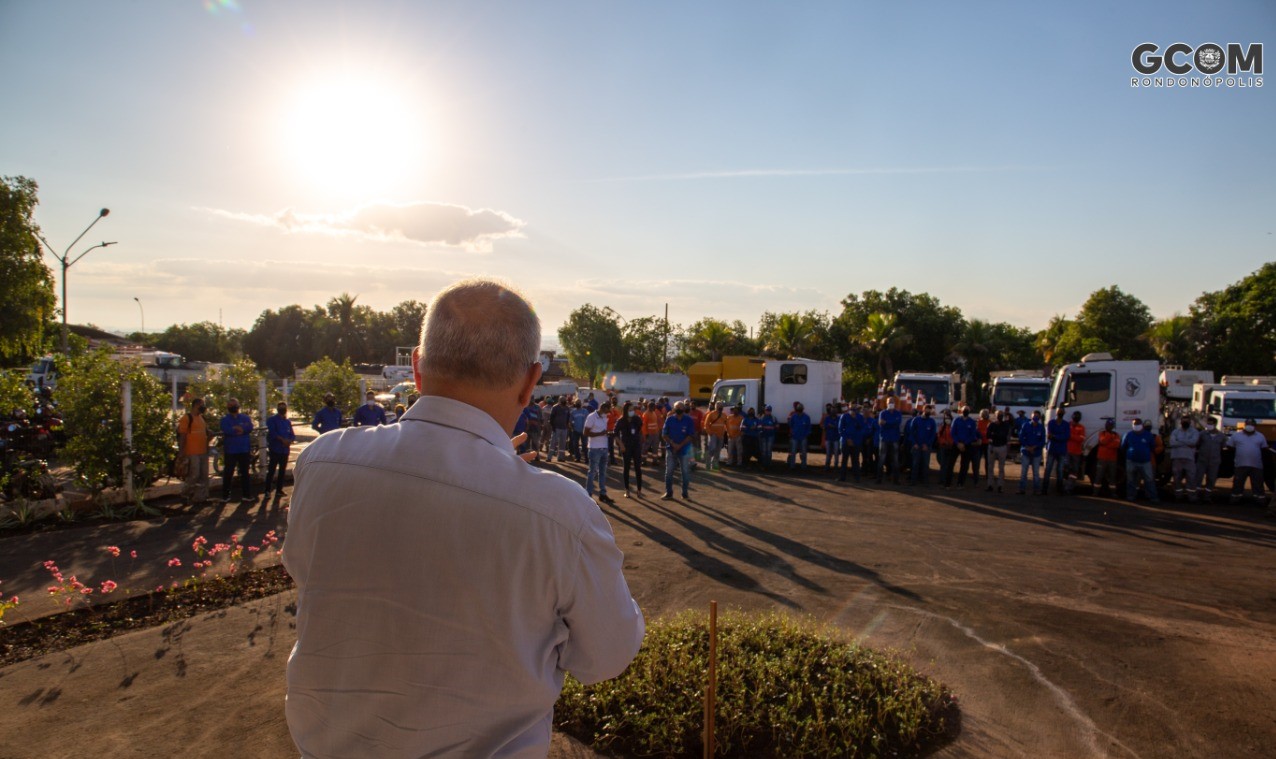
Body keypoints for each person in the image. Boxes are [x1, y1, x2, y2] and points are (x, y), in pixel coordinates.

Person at [284, 280, 643, 757]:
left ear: (416, 366)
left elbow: (316, 578)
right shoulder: (560, 513)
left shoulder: (323, 462)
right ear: (531, 381)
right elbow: (606, 656)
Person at [1225, 418, 1270, 505]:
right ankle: (1235, 500)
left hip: (1256, 465)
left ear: (1255, 426)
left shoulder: (1260, 436)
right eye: (1248, 424)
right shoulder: (1236, 436)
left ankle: (1260, 501)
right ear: (1245, 425)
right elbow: (1230, 447)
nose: (1250, 426)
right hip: (1240, 464)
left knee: (1258, 484)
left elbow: (1264, 449)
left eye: (1252, 424)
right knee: (1238, 483)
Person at [177, 396, 210, 504]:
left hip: (203, 451)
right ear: (196, 405)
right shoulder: (187, 418)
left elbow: (206, 431)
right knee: (194, 474)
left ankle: (200, 497)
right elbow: (182, 435)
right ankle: (185, 494)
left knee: (203, 475)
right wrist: (181, 451)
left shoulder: (201, 418)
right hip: (192, 451)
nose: (203, 407)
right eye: (202, 404)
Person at [219, 398, 253, 502]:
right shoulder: (225, 420)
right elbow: (227, 430)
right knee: (228, 473)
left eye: (235, 405)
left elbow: (249, 427)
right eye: (231, 405)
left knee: (245, 473)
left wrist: (239, 429)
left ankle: (246, 495)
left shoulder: (245, 418)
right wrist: (240, 429)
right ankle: (225, 496)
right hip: (231, 450)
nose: (234, 407)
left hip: (244, 449)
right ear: (228, 407)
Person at [662, 401, 697, 499]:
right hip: (671, 449)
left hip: (684, 450)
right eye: (677, 407)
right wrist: (673, 444)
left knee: (685, 472)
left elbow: (690, 435)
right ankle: (668, 493)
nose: (679, 409)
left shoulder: (688, 420)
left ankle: (685, 493)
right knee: (669, 472)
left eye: (681, 407)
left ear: (684, 409)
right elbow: (664, 434)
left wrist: (680, 445)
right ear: (674, 408)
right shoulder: (669, 419)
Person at [1122, 418, 1159, 502]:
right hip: (1131, 461)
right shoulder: (1128, 435)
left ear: (1141, 425)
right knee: (1131, 480)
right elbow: (1123, 447)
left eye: (1138, 424)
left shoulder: (1148, 435)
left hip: (1145, 462)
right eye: (1134, 424)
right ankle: (1131, 496)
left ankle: (1153, 497)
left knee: (1149, 480)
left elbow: (1152, 447)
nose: (1136, 426)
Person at [264, 401, 296, 498]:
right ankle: (267, 491)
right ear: (277, 409)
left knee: (282, 471)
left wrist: (289, 440)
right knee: (271, 470)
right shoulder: (272, 420)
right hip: (275, 449)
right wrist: (282, 440)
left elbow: (292, 434)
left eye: (284, 407)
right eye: (281, 407)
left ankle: (279, 490)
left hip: (285, 450)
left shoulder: (287, 422)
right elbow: (272, 433)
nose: (283, 409)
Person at [584, 401, 612, 501]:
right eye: (608, 410)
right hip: (594, 448)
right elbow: (586, 433)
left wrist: (607, 433)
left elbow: (603, 431)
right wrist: (600, 433)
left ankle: (602, 494)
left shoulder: (604, 417)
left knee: (603, 472)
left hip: (604, 447)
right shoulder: (591, 417)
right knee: (592, 472)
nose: (609, 412)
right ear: (603, 408)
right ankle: (589, 494)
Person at [1168, 415, 1201, 501]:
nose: (1185, 422)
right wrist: (1187, 443)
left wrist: (1179, 442)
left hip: (1189, 458)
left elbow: (1193, 442)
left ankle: (1192, 497)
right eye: (1183, 421)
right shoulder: (1175, 431)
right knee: (1176, 478)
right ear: (1180, 422)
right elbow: (1172, 443)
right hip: (1177, 458)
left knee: (1191, 478)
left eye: (1187, 421)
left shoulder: (1195, 432)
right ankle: (1178, 496)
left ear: (1190, 422)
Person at [617, 401, 644, 497]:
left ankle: (639, 490)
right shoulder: (621, 421)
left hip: (636, 446)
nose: (632, 411)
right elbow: (615, 434)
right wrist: (621, 445)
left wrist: (640, 441)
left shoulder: (637, 419)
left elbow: (639, 430)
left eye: (633, 410)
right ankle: (627, 490)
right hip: (626, 447)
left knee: (638, 468)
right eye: (630, 410)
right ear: (625, 410)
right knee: (626, 468)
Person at [1195, 417, 1225, 500]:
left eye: (1210, 424)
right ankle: (1196, 495)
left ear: (1215, 424)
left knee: (1211, 479)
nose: (1209, 425)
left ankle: (1207, 496)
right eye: (1208, 423)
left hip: (1214, 461)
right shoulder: (1202, 434)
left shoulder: (1221, 436)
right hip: (1202, 460)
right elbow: (1197, 444)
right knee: (1198, 478)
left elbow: (1223, 447)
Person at [837, 405, 868, 483]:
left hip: (856, 442)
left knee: (855, 461)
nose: (853, 411)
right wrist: (847, 439)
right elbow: (840, 429)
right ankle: (842, 477)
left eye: (854, 409)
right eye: (851, 409)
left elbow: (863, 429)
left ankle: (857, 478)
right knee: (844, 460)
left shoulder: (860, 417)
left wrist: (854, 439)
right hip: (845, 442)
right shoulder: (844, 416)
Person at [1018, 410, 1045, 495]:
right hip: (1026, 451)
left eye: (1037, 416)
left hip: (1036, 453)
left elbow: (1043, 440)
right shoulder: (1025, 425)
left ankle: (1036, 490)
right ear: (1031, 416)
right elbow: (1021, 437)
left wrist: (1034, 447)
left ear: (1039, 418)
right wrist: (1027, 447)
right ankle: (1022, 489)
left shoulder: (1041, 428)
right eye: (1034, 416)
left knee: (1036, 473)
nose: (1035, 418)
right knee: (1023, 472)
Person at [1045, 407, 1071, 495]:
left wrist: (1055, 437)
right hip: (1052, 449)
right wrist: (1060, 436)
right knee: (1048, 469)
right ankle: (1044, 489)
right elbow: (1049, 435)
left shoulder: (1066, 424)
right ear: (1056, 413)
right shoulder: (1051, 423)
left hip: (1061, 450)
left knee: (1060, 470)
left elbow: (1066, 436)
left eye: (1061, 412)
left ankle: (1059, 489)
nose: (1060, 413)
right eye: (1059, 412)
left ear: (1064, 413)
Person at [952, 407, 980, 487]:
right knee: (951, 464)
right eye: (964, 410)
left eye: (967, 410)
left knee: (964, 466)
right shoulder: (956, 420)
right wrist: (958, 443)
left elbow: (973, 435)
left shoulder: (971, 422)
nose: (965, 411)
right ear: (961, 411)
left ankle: (960, 483)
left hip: (967, 446)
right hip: (957, 445)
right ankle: (948, 483)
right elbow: (953, 432)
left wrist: (964, 443)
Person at [909, 406, 937, 486]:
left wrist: (927, 445)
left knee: (925, 464)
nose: (928, 412)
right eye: (927, 410)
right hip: (916, 446)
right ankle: (913, 481)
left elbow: (933, 435)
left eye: (930, 410)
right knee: (915, 464)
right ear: (923, 410)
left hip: (926, 447)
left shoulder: (932, 421)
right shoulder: (916, 420)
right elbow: (911, 433)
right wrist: (914, 443)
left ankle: (925, 481)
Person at [984, 409, 1011, 492]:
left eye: (1001, 415)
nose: (999, 416)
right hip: (992, 447)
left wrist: (994, 434)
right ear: (995, 416)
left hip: (1002, 447)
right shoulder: (991, 424)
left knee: (1001, 468)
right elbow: (988, 435)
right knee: (990, 467)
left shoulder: (1006, 425)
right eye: (998, 415)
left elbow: (1004, 435)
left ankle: (1000, 486)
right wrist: (996, 435)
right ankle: (990, 485)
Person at [877, 399, 903, 484]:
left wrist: (886, 422)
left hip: (894, 439)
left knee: (895, 460)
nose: (891, 404)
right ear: (886, 403)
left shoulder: (898, 413)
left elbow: (897, 423)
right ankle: (879, 479)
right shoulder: (883, 413)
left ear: (895, 404)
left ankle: (896, 480)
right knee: (881, 459)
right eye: (889, 402)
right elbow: (881, 423)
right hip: (884, 439)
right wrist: (891, 423)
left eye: (892, 402)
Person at [1094, 419, 1121, 497]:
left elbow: (1116, 445)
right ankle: (1095, 492)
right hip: (1102, 458)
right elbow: (1103, 441)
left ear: (1113, 426)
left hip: (1112, 459)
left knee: (1112, 477)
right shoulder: (1102, 433)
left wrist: (1107, 443)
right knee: (1099, 476)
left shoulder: (1116, 435)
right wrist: (1109, 437)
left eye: (1110, 425)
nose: (1109, 426)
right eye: (1108, 424)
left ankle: (1113, 493)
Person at [1064, 411, 1087, 494]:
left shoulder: (1081, 427)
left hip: (1076, 452)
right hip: (1067, 451)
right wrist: (1074, 437)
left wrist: (1071, 436)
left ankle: (1069, 488)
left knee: (1074, 471)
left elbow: (1081, 438)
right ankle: (1066, 486)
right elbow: (1066, 435)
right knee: (1067, 468)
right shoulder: (1067, 425)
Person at [787, 402, 811, 470]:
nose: (799, 410)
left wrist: (806, 435)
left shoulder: (806, 417)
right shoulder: (793, 416)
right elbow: (790, 425)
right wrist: (793, 433)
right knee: (793, 452)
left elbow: (809, 427)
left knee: (803, 452)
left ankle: (803, 466)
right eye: (798, 409)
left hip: (803, 438)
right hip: (795, 437)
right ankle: (792, 466)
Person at [704, 401, 728, 471]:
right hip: (713, 434)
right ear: (716, 407)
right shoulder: (711, 414)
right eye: (719, 406)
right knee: (712, 449)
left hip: (721, 435)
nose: (720, 407)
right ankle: (708, 464)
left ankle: (714, 465)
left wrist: (728, 433)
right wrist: (710, 433)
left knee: (718, 450)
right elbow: (706, 424)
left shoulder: (724, 415)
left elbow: (727, 424)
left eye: (721, 406)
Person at [548, 395, 571, 462]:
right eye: (563, 400)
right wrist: (553, 427)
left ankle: (560, 457)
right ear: (560, 401)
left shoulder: (567, 408)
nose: (564, 402)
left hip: (564, 428)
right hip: (556, 428)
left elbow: (568, 417)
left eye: (565, 400)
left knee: (563, 444)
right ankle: (549, 457)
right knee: (553, 443)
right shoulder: (555, 407)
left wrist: (567, 426)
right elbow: (551, 418)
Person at [937, 412, 957, 487]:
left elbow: (955, 436)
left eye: (948, 418)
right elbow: (939, 436)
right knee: (943, 464)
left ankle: (949, 480)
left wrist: (951, 443)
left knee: (950, 465)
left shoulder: (953, 427)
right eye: (945, 418)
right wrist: (944, 442)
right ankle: (942, 480)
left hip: (951, 448)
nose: (947, 420)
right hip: (943, 447)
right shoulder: (942, 427)